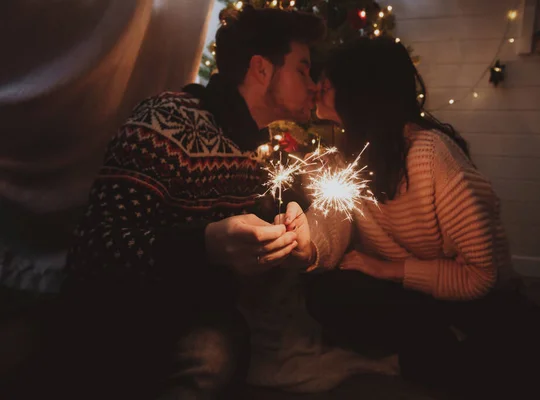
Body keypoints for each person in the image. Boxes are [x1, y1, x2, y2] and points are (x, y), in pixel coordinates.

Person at [8, 6, 325, 400]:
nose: (314, 84)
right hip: (124, 309)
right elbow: (95, 250)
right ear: (262, 69)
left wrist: (299, 231)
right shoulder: (167, 120)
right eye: (303, 69)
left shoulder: (260, 152)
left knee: (221, 349)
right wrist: (204, 244)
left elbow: (301, 211)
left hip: (200, 313)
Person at [282, 37, 540, 399]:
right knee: (327, 293)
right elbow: (331, 229)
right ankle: (439, 346)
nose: (317, 86)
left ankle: (445, 352)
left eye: (328, 82)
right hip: (408, 297)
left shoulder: (430, 155)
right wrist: (307, 239)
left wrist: (389, 270)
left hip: (472, 292)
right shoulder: (339, 160)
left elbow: (481, 275)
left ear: (360, 91)